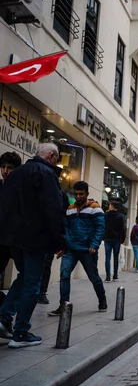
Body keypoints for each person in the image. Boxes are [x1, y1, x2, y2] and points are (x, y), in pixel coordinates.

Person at [0, 143, 64, 347]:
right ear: (52, 156)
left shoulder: (17, 174)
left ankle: (4, 317)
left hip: (13, 239)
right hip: (34, 239)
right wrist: (60, 241)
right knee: (32, 283)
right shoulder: (46, 174)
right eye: (57, 158)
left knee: (24, 277)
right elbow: (53, 210)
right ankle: (21, 332)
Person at [47, 181, 107, 316]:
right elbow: (66, 228)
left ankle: (102, 300)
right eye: (76, 194)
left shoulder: (95, 208)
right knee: (64, 275)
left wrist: (94, 244)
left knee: (94, 277)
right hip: (71, 249)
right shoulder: (70, 209)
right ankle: (64, 305)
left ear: (87, 193)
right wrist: (63, 246)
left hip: (87, 250)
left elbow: (100, 227)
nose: (78, 196)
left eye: (81, 194)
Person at [0, 151, 22, 285]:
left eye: (9, 168)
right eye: (3, 167)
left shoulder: (19, 190)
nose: (5, 171)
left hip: (13, 239)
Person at [104, 201, 126, 281]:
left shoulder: (106, 215)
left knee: (107, 257)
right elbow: (122, 229)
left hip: (107, 238)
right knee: (116, 257)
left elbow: (103, 226)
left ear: (111, 206)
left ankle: (108, 275)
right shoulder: (120, 216)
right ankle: (115, 274)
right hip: (117, 239)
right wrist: (123, 239)